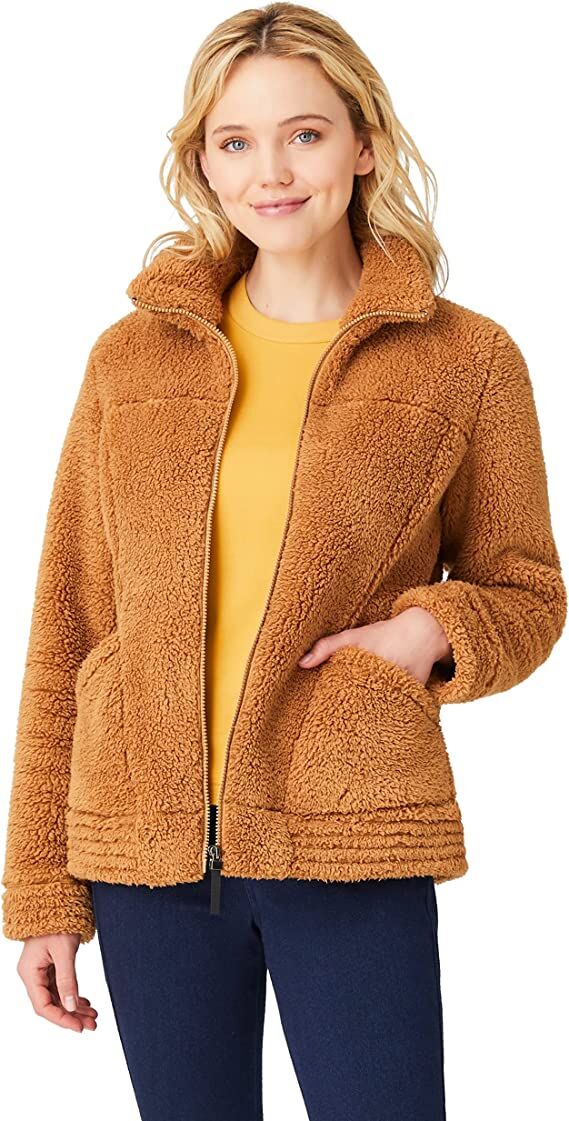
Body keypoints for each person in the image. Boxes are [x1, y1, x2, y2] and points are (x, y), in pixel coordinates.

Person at [2, 3, 566, 1119]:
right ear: (203, 165)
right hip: (145, 857)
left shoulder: (465, 359)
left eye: (304, 134)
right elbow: (68, 621)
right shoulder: (129, 360)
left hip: (350, 839)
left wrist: (426, 631)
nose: (271, 171)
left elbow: (527, 588)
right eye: (235, 141)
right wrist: (40, 890)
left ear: (363, 145)